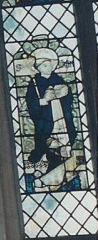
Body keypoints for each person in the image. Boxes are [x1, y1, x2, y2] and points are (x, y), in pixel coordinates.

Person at [25, 47, 77, 186]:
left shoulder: (57, 79)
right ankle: (50, 165)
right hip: (46, 120)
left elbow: (69, 97)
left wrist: (63, 93)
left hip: (61, 116)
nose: (49, 67)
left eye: (50, 64)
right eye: (45, 65)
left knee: (66, 137)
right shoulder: (34, 83)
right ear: (38, 67)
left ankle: (63, 162)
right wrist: (44, 100)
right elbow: (31, 103)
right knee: (47, 141)